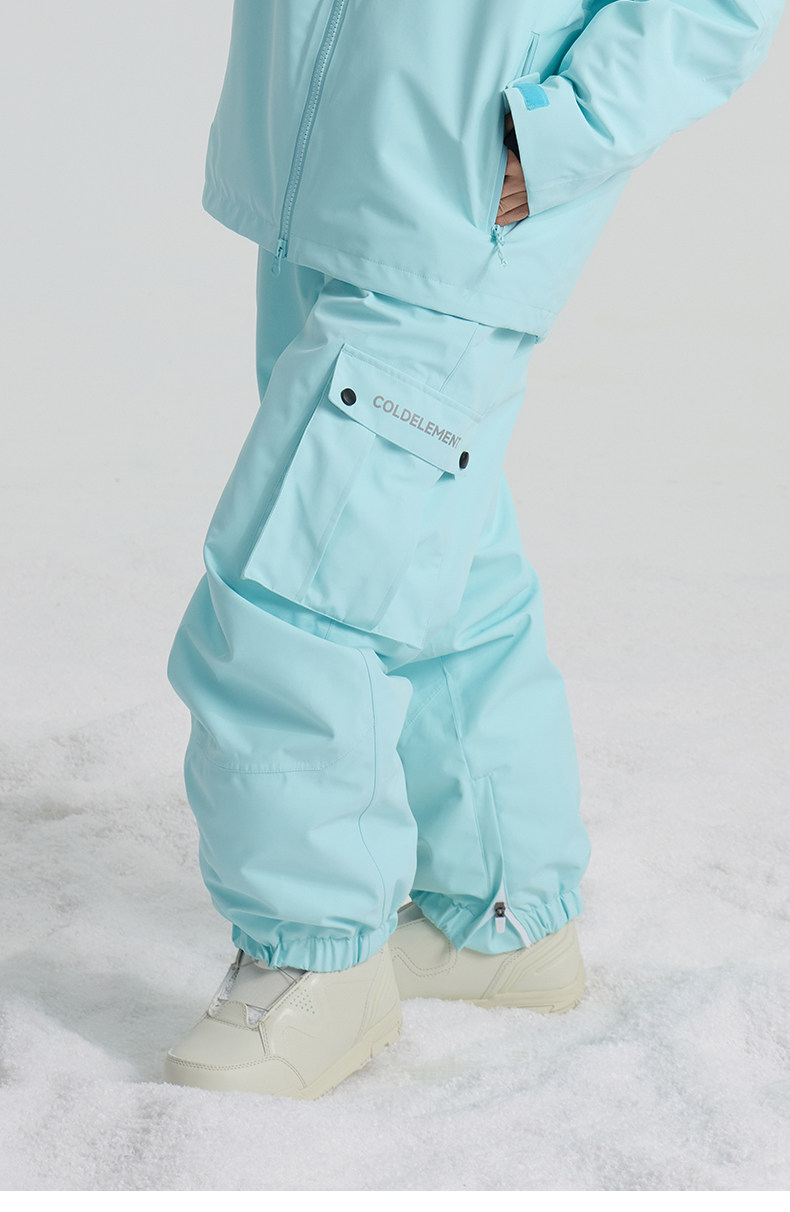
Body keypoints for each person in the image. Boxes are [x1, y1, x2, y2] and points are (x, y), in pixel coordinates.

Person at [163, 0, 784, 1100]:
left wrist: (571, 128)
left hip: (459, 194)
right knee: (422, 559)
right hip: (320, 164)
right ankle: (499, 911)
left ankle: (312, 956)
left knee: (297, 591)